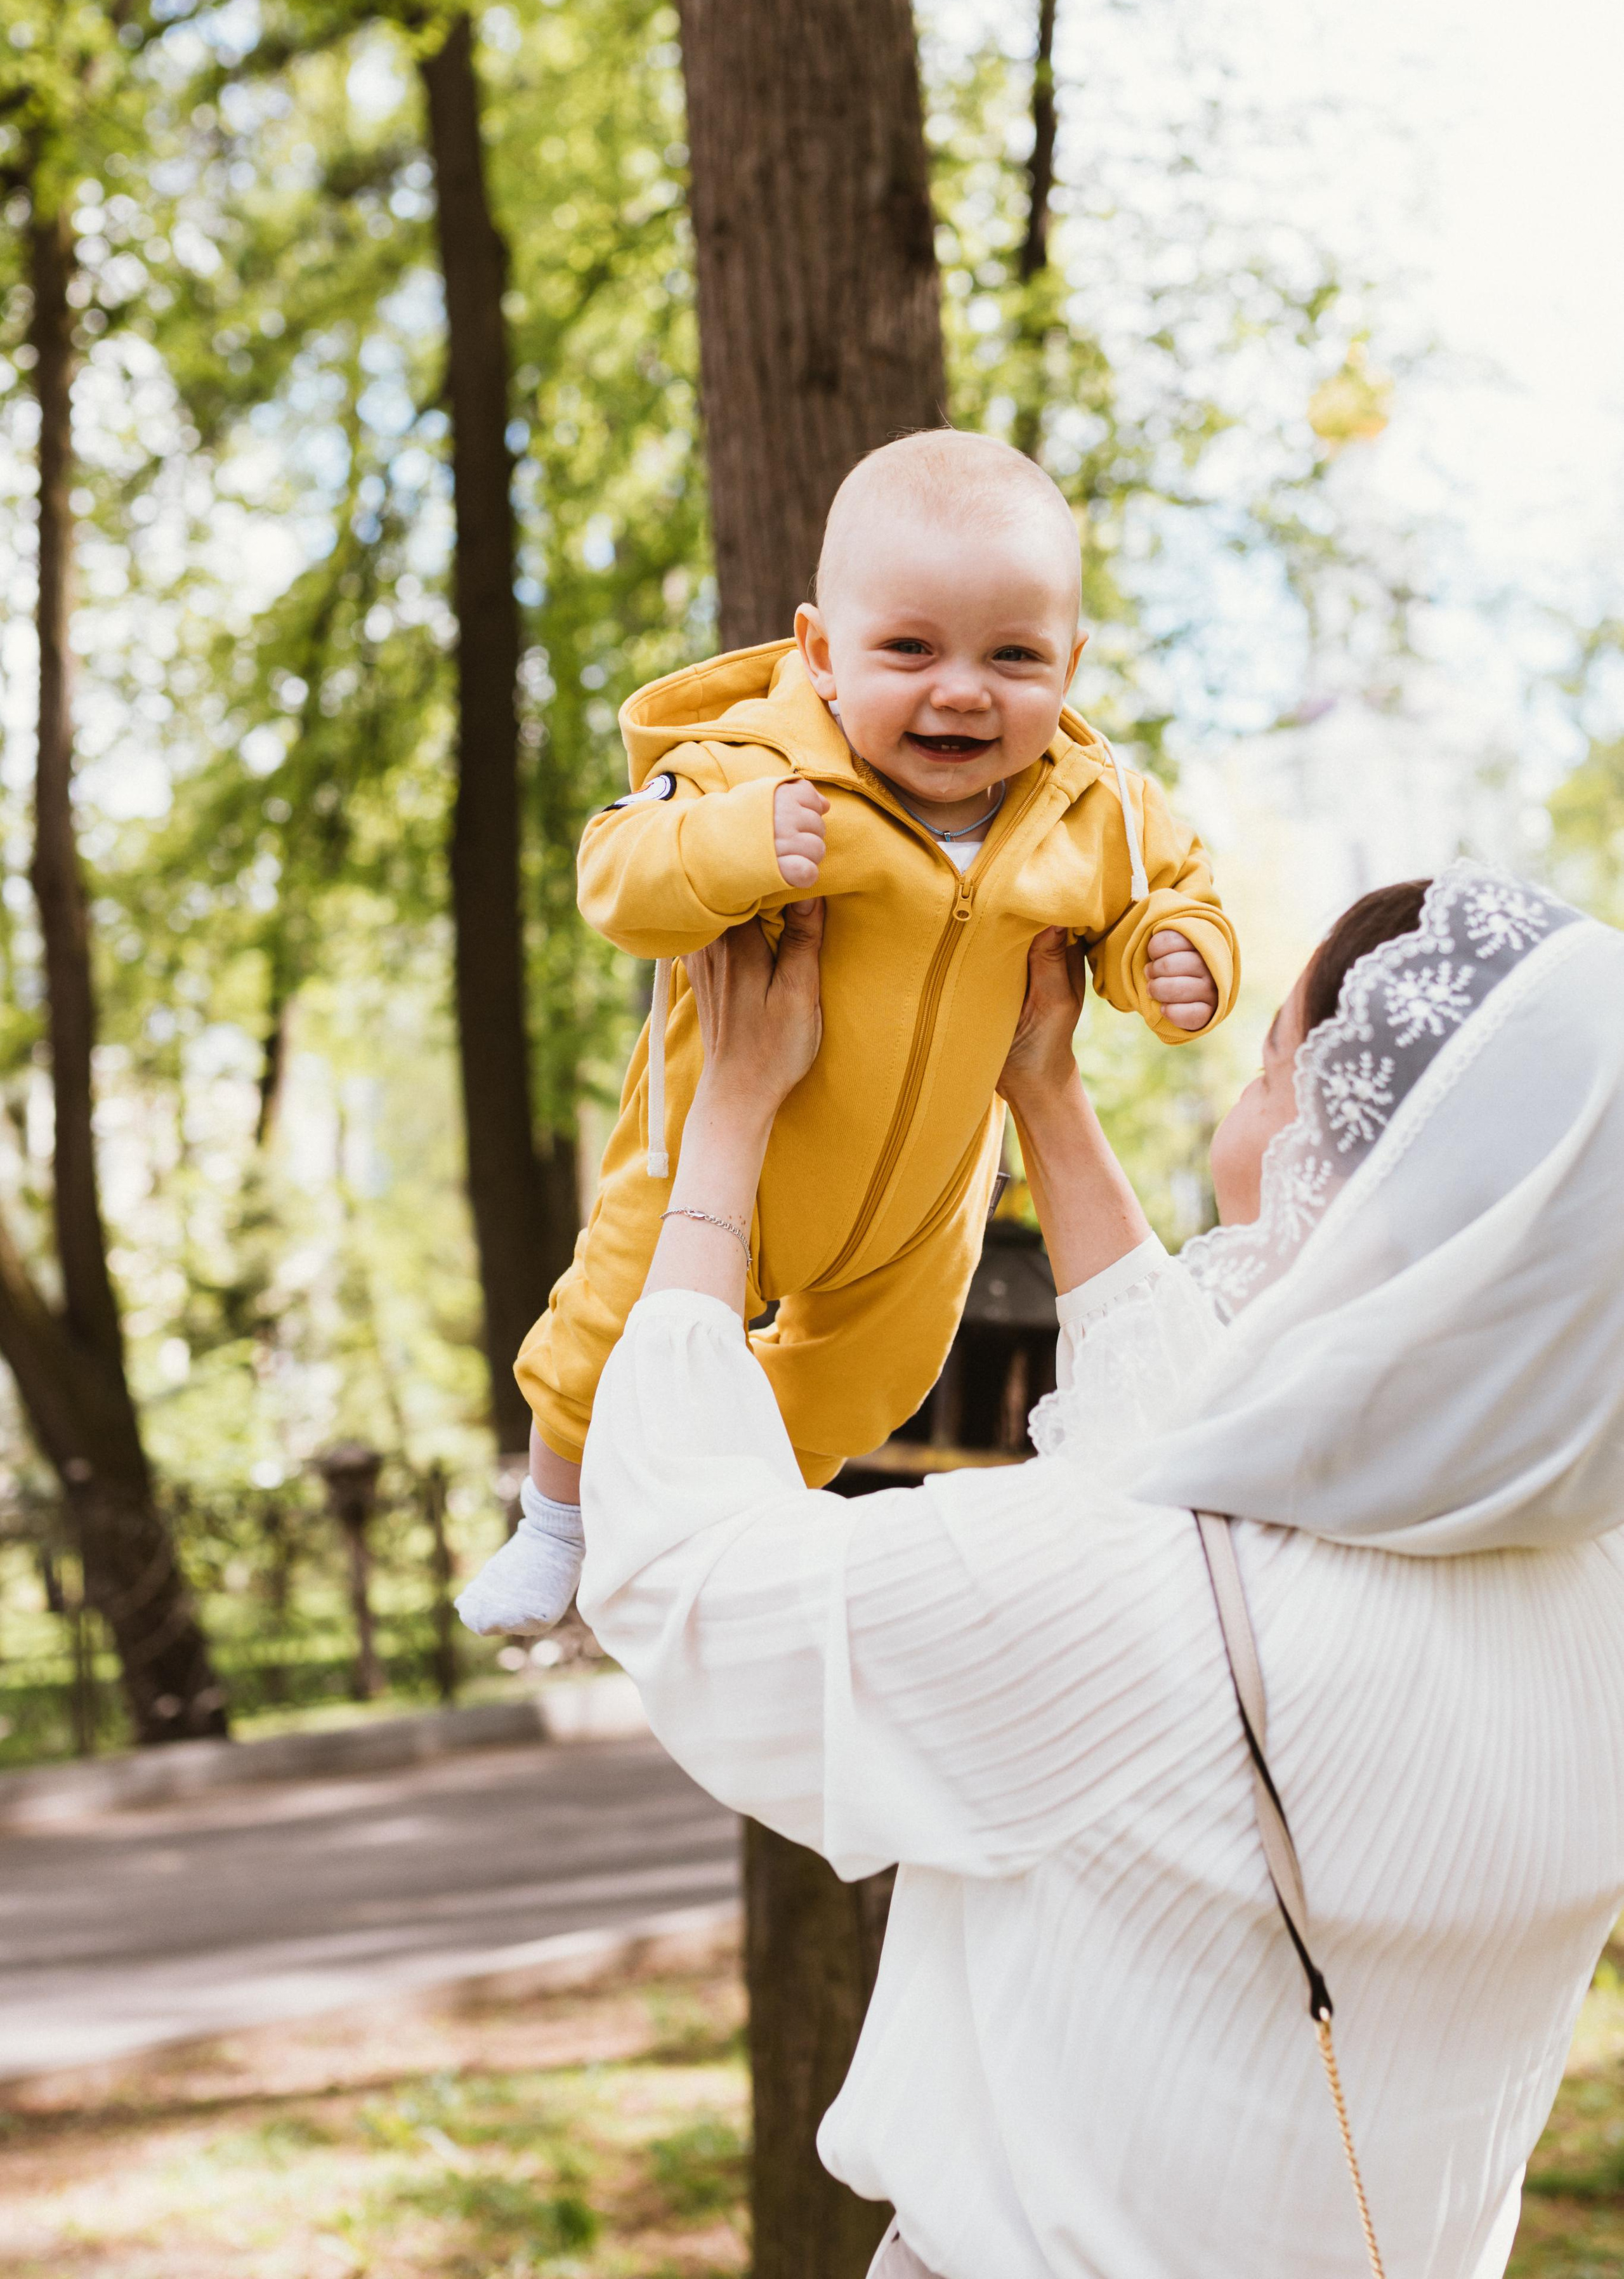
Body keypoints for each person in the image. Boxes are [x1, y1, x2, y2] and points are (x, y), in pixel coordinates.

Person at [572, 862, 1624, 2279]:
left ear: (1345, 1165)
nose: (1237, 1122)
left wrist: (726, 1122)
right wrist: (1044, 1093)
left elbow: (688, 1578)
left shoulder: (1140, 1600)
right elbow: (1219, 1453)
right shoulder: (1589, 1603)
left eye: (1269, 1074)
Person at [459, 428, 1239, 1639]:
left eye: (1015, 655)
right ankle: (556, 1521)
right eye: (911, 649)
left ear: (1071, 665)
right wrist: (730, 846)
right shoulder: (754, 765)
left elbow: (1169, 887)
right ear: (822, 654)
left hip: (925, 1206)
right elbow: (614, 871)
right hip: (725, 1172)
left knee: (874, 1380)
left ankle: (739, 1509)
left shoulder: (1092, 812)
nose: (964, 688)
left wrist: (1175, 954)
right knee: (611, 1332)